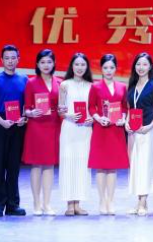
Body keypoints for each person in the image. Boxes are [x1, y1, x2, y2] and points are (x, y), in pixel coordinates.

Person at [0, 44, 29, 217]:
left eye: (13, 58)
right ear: (1, 60)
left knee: (13, 166)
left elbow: (27, 103)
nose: (10, 61)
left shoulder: (24, 79)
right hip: (0, 124)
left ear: (18, 59)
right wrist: (1, 121)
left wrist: (24, 117)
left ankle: (12, 205)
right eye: (7, 58)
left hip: (17, 125)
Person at [22, 48, 62, 216]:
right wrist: (30, 113)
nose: (46, 65)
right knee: (37, 165)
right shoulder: (31, 83)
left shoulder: (60, 83)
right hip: (37, 127)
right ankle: (36, 203)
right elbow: (26, 108)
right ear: (37, 64)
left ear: (54, 63)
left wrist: (63, 109)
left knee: (49, 165)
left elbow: (62, 105)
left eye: (49, 62)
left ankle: (47, 203)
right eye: (43, 62)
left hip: (54, 126)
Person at [88, 53, 129, 215]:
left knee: (112, 168)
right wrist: (98, 118)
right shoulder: (95, 87)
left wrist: (123, 118)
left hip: (116, 130)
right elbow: (91, 107)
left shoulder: (122, 87)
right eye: (106, 67)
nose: (109, 70)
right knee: (100, 167)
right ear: (101, 69)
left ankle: (110, 201)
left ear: (116, 68)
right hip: (101, 130)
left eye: (112, 67)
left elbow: (124, 107)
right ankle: (101, 200)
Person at [125, 52, 153, 215]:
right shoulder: (132, 86)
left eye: (144, 64)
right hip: (132, 132)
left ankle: (142, 202)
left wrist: (150, 126)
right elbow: (129, 109)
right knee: (135, 166)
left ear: (150, 67)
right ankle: (140, 203)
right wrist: (126, 122)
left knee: (145, 166)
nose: (141, 67)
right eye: (138, 64)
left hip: (146, 130)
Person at [58, 52, 94, 216]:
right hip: (69, 128)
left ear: (87, 67)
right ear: (72, 66)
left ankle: (78, 204)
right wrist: (68, 115)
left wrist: (91, 118)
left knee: (82, 165)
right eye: (77, 64)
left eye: (83, 64)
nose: (79, 67)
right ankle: (69, 204)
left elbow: (93, 108)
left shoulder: (91, 86)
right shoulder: (64, 85)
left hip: (85, 129)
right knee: (68, 163)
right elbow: (60, 109)